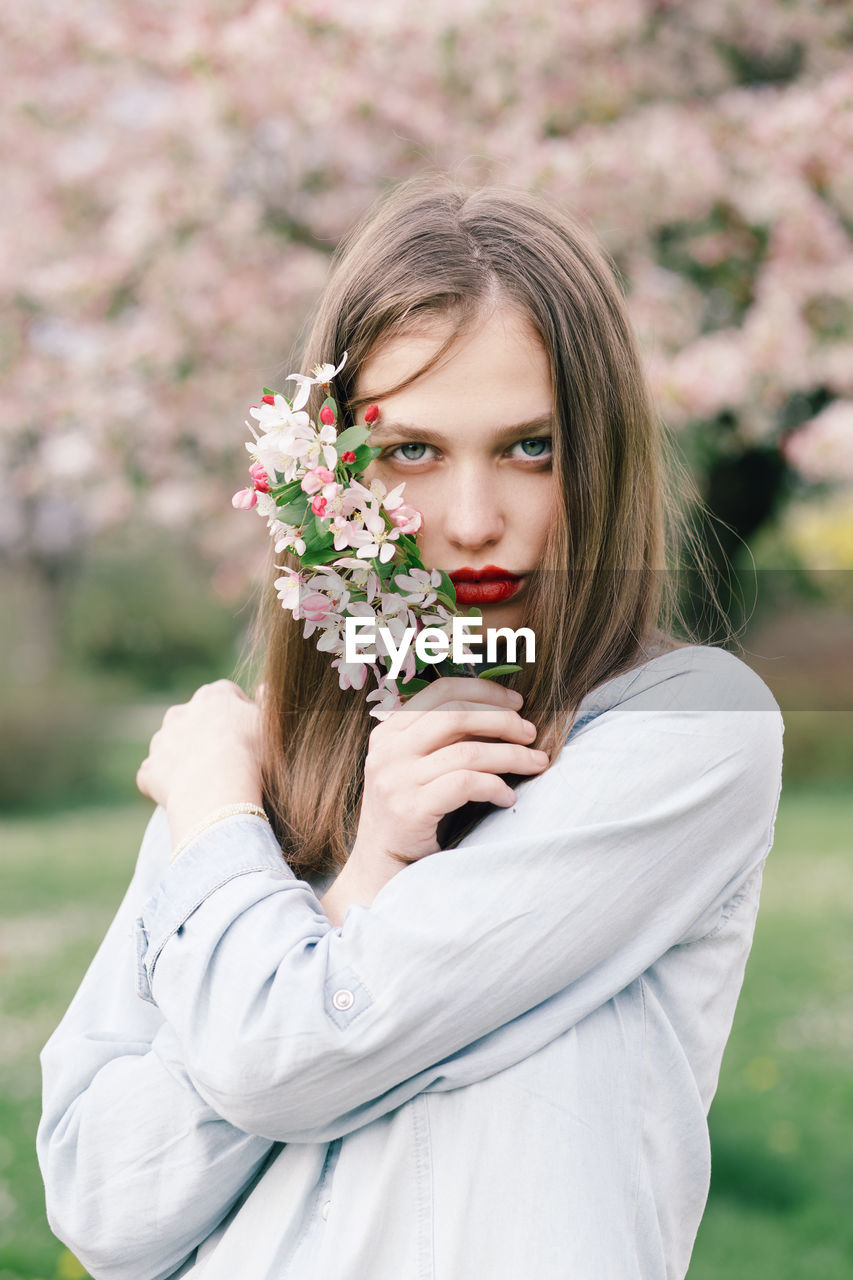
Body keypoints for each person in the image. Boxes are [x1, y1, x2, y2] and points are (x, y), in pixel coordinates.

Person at [37, 177, 784, 1280]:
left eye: (531, 446)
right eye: (413, 452)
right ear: (330, 471)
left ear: (605, 452)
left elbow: (285, 1057)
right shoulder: (256, 773)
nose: (475, 519)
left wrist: (223, 841)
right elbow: (101, 1201)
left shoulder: (682, 733)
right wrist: (353, 883)